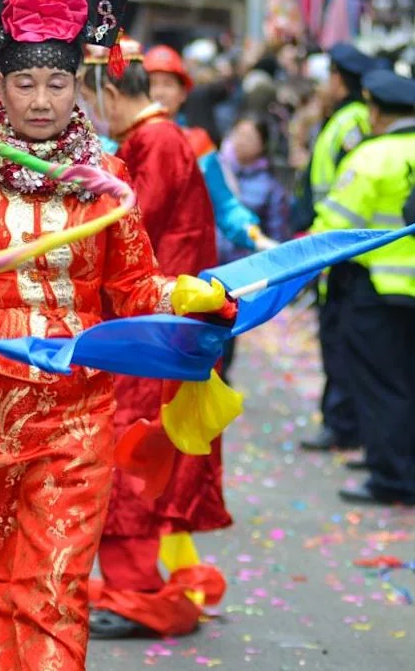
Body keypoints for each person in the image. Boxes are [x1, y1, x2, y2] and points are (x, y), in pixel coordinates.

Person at [0, 0, 230, 667]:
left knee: (55, 582)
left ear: (79, 82)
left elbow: (134, 287)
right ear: (1, 85)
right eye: (26, 84)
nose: (41, 99)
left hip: (77, 405)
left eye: (57, 82)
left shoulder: (107, 176)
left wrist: (191, 296)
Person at [78, 38, 231, 640]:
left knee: (132, 457)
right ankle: (131, 581)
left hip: (153, 328)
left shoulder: (157, 142)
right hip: (152, 326)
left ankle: (133, 588)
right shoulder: (155, 140)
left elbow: (127, 228)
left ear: (110, 93)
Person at [310, 70, 415, 506]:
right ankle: (398, 463)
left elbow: (333, 228)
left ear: (376, 111)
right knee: (406, 381)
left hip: (377, 291)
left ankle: (390, 475)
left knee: (380, 384)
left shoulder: (372, 158)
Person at [296, 43, 385, 453]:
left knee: (340, 339)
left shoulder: (352, 120)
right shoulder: (344, 116)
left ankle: (342, 422)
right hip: (330, 238)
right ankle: (343, 421)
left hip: (337, 242)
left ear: (339, 79)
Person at [142, 44, 278, 253]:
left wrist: (253, 235)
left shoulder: (197, 144)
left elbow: (224, 205)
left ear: (183, 94)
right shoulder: (121, 142)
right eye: (152, 84)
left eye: (168, 84)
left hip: (182, 266)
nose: (159, 92)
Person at [219, 114, 289, 380]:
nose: (242, 142)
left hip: (239, 272)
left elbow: (275, 231)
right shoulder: (215, 169)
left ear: (262, 146)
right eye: (239, 133)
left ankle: (220, 376)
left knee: (225, 328)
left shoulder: (269, 187)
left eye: (251, 138)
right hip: (206, 261)